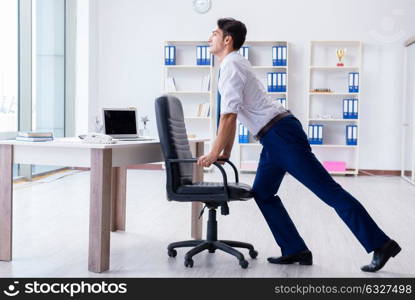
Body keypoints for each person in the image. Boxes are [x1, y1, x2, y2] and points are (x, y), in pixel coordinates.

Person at [197, 17, 401, 272]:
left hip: (281, 135)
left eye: (214, 33)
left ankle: (381, 244)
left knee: (329, 191)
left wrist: (214, 152)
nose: (209, 38)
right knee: (263, 193)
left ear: (227, 39)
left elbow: (228, 116)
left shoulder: (231, 65)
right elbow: (232, 114)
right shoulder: (232, 64)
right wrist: (224, 152)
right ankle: (295, 249)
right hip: (272, 138)